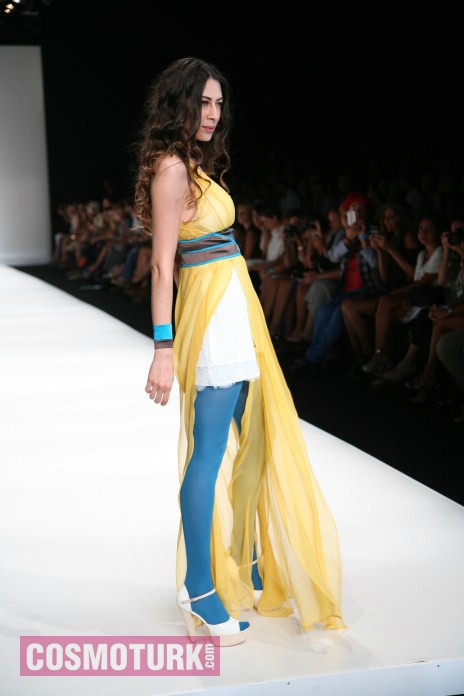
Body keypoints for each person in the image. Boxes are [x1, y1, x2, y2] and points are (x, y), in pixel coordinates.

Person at [134, 57, 345, 646]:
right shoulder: (173, 168)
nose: (212, 113)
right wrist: (163, 348)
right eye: (202, 102)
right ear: (179, 102)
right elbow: (162, 265)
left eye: (218, 104)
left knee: (255, 435)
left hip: (234, 309)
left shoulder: (193, 163)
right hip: (213, 316)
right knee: (208, 453)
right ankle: (201, 588)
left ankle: (243, 561)